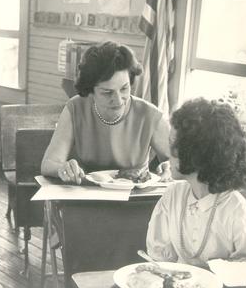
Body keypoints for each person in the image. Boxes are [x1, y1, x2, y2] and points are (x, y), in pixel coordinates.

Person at [146, 98, 246, 266]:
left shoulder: (235, 210)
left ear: (197, 154)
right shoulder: (172, 196)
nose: (168, 152)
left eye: (172, 144)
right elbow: (159, 259)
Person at [41, 41, 171, 184]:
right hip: (86, 195)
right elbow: (49, 164)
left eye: (124, 89)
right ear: (91, 91)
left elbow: (176, 163)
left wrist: (170, 167)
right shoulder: (75, 108)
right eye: (107, 93)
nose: (118, 101)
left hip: (135, 199)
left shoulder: (150, 115)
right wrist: (62, 168)